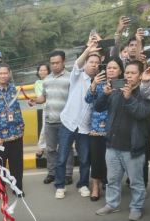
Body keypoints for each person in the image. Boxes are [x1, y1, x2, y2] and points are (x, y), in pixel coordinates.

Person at [94, 60, 150, 221]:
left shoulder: (145, 93)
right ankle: (112, 204)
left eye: (133, 73)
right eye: (127, 72)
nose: (128, 75)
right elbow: (98, 107)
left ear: (141, 76)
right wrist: (105, 94)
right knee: (112, 180)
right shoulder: (116, 90)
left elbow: (141, 113)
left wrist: (129, 98)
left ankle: (136, 207)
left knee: (136, 182)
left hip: (133, 148)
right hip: (112, 145)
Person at [53, 40, 100, 199]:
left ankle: (83, 184)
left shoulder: (99, 83)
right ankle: (59, 185)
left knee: (85, 158)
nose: (94, 65)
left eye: (96, 63)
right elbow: (78, 63)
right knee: (62, 157)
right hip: (68, 122)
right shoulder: (77, 76)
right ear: (86, 63)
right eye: (91, 62)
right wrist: (89, 49)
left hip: (85, 126)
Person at [28, 50, 74, 185]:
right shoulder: (46, 80)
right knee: (50, 149)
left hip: (65, 121)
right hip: (49, 121)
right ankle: (52, 173)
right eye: (52, 63)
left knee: (67, 148)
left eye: (57, 63)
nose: (54, 65)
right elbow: (43, 97)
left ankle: (68, 174)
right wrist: (35, 100)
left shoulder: (70, 78)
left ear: (63, 62)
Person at [85, 58, 124, 201]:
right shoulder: (99, 83)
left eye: (114, 68)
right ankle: (95, 186)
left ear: (120, 70)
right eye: (108, 68)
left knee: (113, 160)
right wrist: (94, 84)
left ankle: (111, 185)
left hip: (116, 128)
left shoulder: (124, 85)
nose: (111, 70)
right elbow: (88, 99)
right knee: (96, 159)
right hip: (97, 128)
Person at [0, 64, 26, 193]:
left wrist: (21, 126)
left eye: (5, 73)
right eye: (0, 73)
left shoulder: (13, 89)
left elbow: (17, 109)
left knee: (17, 165)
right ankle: (0, 189)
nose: (3, 76)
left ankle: (17, 188)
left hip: (15, 134)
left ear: (9, 74)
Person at [34, 63, 51, 157]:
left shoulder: (52, 80)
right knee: (45, 127)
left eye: (45, 70)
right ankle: (40, 147)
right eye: (41, 70)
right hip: (46, 107)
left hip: (57, 107)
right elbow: (40, 95)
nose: (43, 72)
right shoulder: (37, 83)